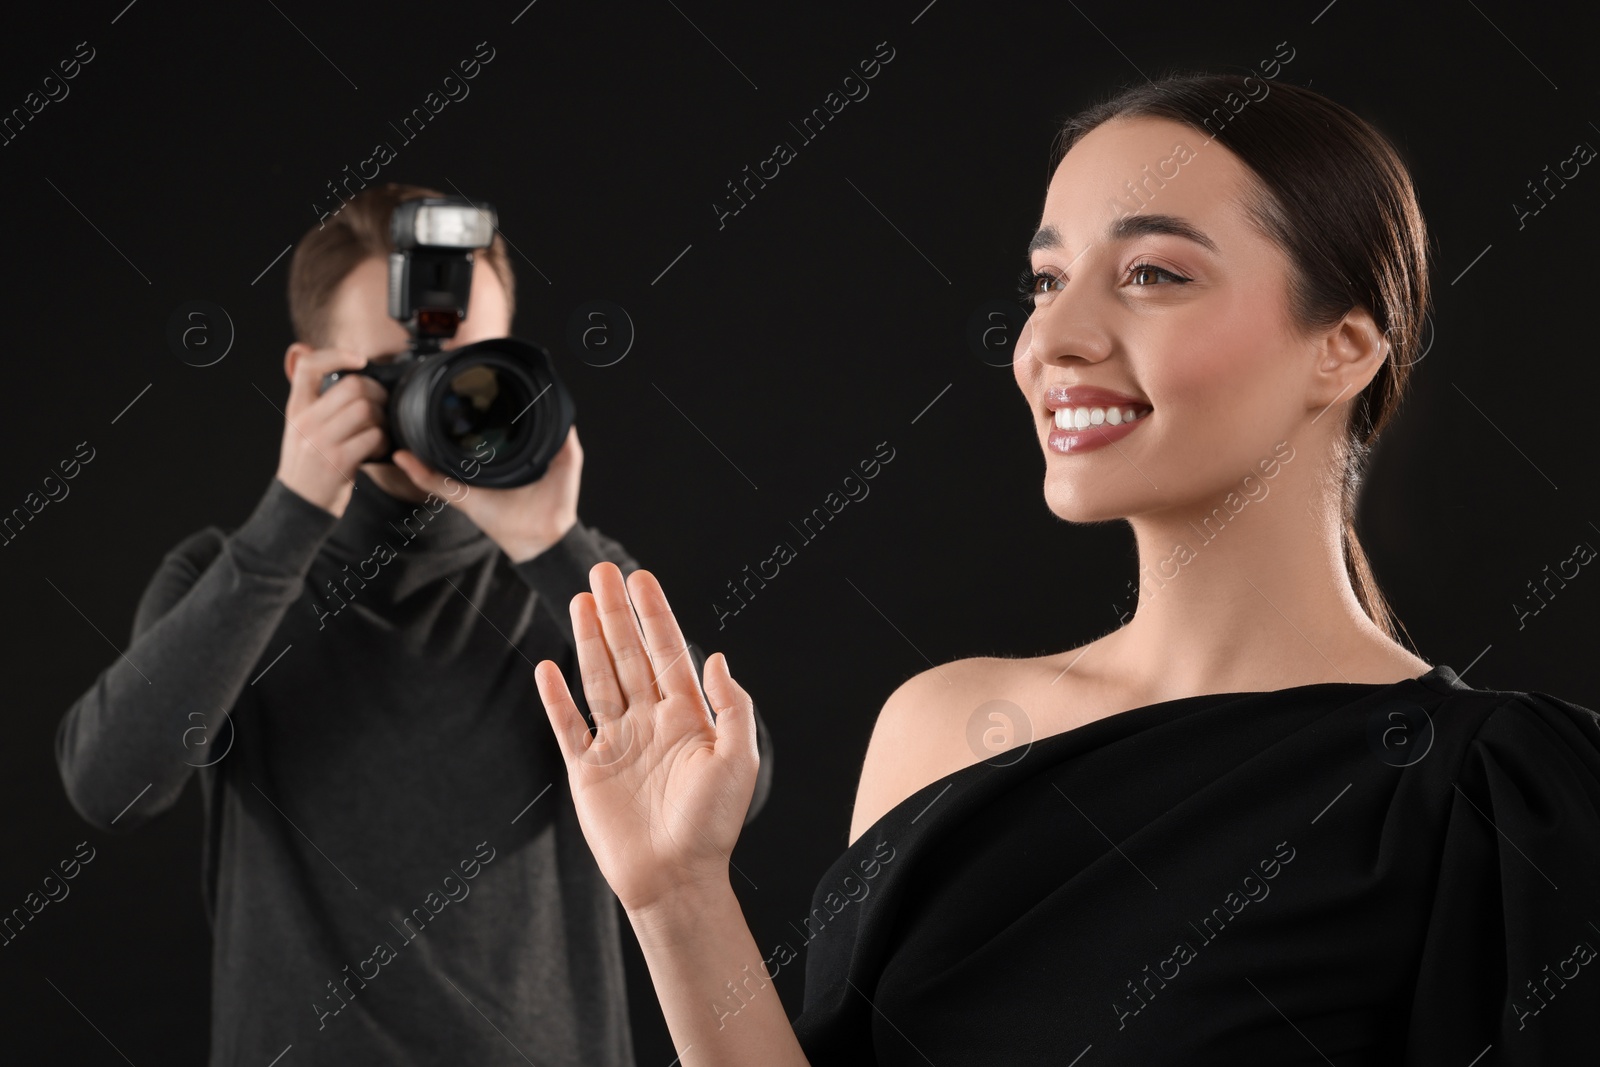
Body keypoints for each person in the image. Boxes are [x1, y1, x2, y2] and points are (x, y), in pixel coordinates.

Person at [525, 74, 1600, 1064]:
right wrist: (677, 898)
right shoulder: (938, 725)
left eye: (1151, 273)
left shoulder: (1498, 798)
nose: (1049, 337)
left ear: (1345, 344)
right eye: (1045, 279)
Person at [53, 181, 774, 1067]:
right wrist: (288, 520)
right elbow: (109, 784)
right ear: (310, 377)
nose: (441, 395)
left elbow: (733, 784)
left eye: (469, 363)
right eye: (398, 372)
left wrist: (552, 545)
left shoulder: (576, 588)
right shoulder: (229, 577)